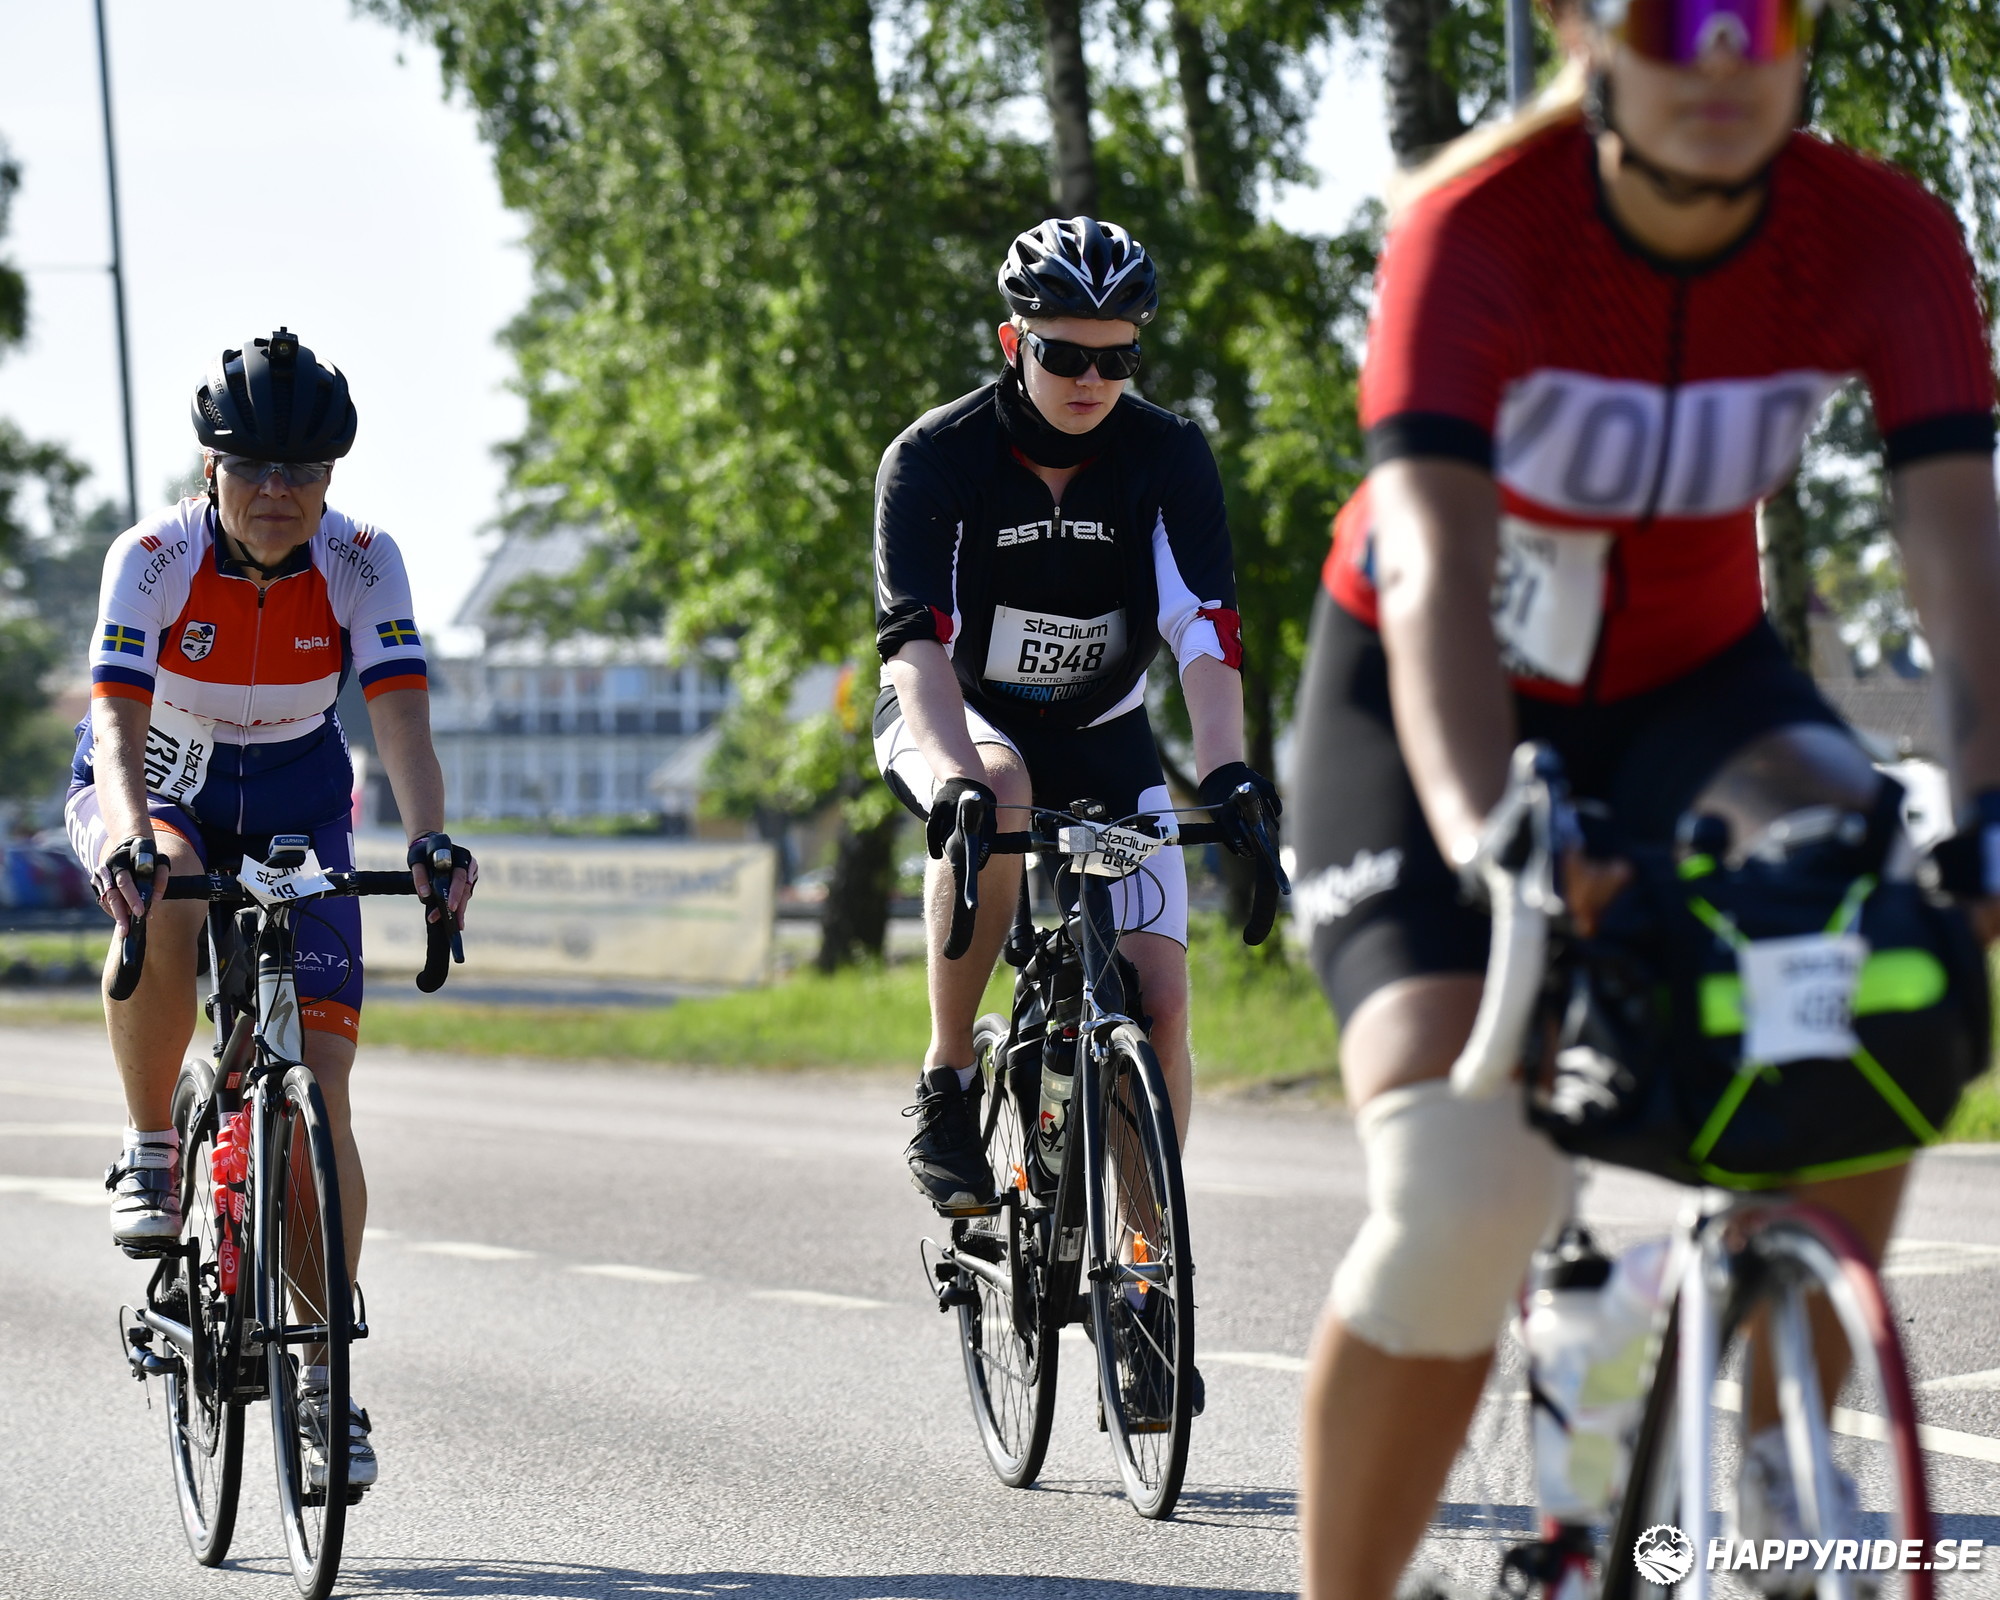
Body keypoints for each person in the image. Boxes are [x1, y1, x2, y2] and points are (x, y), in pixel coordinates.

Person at [1284, 2, 2000, 1595]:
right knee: (1466, 1188)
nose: (1722, 60)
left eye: (1762, 14)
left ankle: (1782, 1470)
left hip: (1692, 688)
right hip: (1430, 694)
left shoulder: (1879, 234)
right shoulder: (1480, 229)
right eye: (1675, 20)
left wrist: (1990, 808)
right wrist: (1495, 839)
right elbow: (1439, 566)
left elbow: (1961, 549)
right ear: (1580, 30)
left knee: (1876, 952)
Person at [69, 329, 477, 1493]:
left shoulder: (363, 560)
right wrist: (131, 837)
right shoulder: (152, 556)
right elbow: (114, 720)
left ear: (331, 478)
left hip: (299, 798)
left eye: (302, 471)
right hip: (159, 778)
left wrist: (431, 838)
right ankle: (154, 1142)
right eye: (253, 467)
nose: (276, 492)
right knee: (162, 891)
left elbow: (400, 718)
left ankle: (322, 1373)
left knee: (323, 1091)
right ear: (212, 467)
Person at [874, 217, 1278, 1227]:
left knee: (1162, 1003)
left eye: (1118, 357)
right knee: (1000, 786)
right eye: (1064, 355)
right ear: (1013, 343)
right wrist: (956, 777)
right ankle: (948, 1076)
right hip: (956, 714)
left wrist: (1227, 774)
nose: (1093, 379)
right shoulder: (933, 457)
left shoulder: (1166, 454)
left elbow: (1204, 630)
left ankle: (1143, 1267)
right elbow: (916, 646)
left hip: (1104, 731)